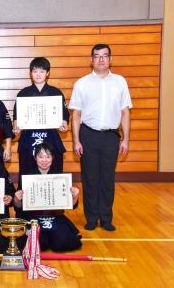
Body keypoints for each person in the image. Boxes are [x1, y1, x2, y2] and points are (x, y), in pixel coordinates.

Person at [69, 43, 132, 231]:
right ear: (91, 60)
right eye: (97, 56)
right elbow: (76, 115)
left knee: (107, 178)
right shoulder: (81, 83)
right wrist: (76, 140)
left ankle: (106, 217)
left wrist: (126, 139)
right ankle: (91, 217)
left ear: (110, 59)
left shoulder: (120, 82)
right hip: (88, 134)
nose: (101, 59)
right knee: (89, 178)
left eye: (105, 56)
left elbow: (125, 112)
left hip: (111, 136)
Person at [13, 143, 82, 252]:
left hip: (54, 217)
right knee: (36, 243)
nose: (44, 160)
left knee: (62, 243)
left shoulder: (59, 177)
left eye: (48, 156)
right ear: (35, 158)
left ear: (53, 158)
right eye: (40, 157)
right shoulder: (27, 177)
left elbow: (71, 205)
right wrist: (16, 199)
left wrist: (75, 196)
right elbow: (18, 207)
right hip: (32, 218)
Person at [13, 57, 69, 176]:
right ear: (30, 73)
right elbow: (16, 118)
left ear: (47, 73)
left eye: (42, 71)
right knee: (27, 172)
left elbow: (64, 116)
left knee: (53, 173)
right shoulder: (23, 94)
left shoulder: (56, 93)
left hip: (51, 137)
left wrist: (64, 125)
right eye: (35, 71)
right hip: (28, 137)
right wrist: (16, 128)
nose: (38, 74)